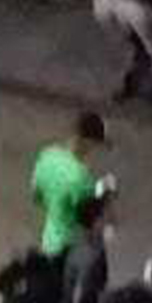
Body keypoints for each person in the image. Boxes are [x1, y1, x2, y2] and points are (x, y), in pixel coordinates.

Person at [32, 111, 110, 258]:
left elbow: (36, 197)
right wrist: (104, 191)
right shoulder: (80, 176)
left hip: (49, 239)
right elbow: (88, 218)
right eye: (96, 144)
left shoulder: (47, 155)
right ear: (88, 142)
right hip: (70, 247)